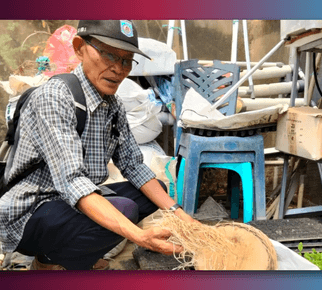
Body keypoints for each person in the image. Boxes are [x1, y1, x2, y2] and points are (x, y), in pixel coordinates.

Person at [0, 20, 196, 270]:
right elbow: (72, 182)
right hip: (30, 210)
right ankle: (50, 262)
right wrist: (140, 237)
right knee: (125, 210)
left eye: (127, 60)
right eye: (109, 55)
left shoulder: (112, 106)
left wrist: (181, 215)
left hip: (67, 203)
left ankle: (69, 254)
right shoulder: (55, 97)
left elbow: (133, 165)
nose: (118, 69)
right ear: (80, 48)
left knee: (155, 190)